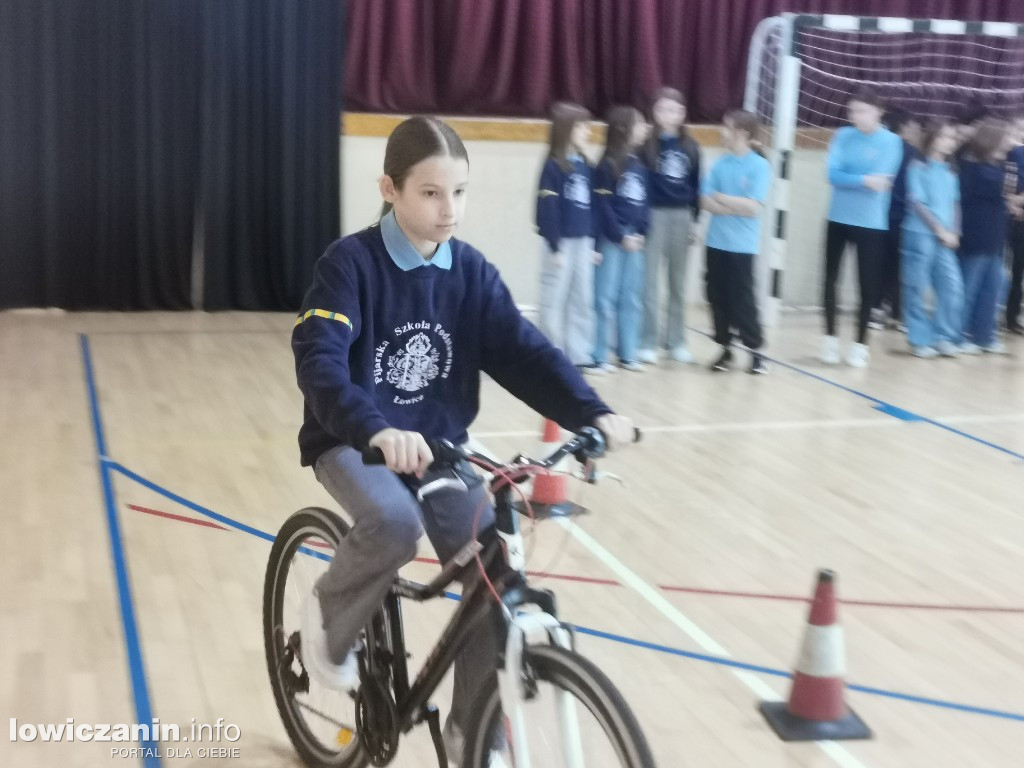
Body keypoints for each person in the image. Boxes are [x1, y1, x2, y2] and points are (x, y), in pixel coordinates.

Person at [291, 115, 636, 759]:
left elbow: (524, 352)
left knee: (491, 561)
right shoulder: (349, 265)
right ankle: (328, 622)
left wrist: (592, 413)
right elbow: (321, 363)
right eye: (431, 193)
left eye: (460, 192)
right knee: (394, 522)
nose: (450, 209)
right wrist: (376, 428)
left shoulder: (470, 273)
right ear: (389, 188)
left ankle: (471, 732)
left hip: (441, 449)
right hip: (352, 441)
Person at [820, 86, 904, 368]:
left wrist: (855, 178)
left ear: (878, 112)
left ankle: (860, 344)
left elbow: (882, 181)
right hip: (838, 218)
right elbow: (832, 174)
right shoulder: (842, 136)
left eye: (863, 111)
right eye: (853, 111)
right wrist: (864, 180)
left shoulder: (891, 142)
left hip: (870, 223)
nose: (856, 116)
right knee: (830, 279)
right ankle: (829, 340)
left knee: (867, 286)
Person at [700, 109, 772, 374]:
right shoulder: (720, 163)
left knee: (742, 299)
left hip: (742, 246)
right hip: (716, 242)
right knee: (717, 296)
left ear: (741, 133)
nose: (722, 131)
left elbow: (753, 207)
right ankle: (725, 349)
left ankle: (756, 351)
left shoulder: (759, 165)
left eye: (726, 127)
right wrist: (733, 204)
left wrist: (722, 199)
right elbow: (705, 201)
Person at [535, 101, 601, 372]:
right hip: (560, 242)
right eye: (581, 126)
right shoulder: (553, 166)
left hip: (583, 241)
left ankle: (579, 353)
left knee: (582, 297)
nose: (587, 131)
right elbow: (546, 209)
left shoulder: (586, 164)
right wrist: (554, 246)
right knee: (554, 298)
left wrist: (594, 243)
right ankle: (552, 355)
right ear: (567, 129)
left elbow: (594, 207)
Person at [639, 87, 701, 365]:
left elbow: (697, 185)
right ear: (655, 112)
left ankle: (676, 341)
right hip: (654, 214)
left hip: (681, 215)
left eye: (674, 109)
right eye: (663, 109)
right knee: (649, 283)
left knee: (677, 283)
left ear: (683, 113)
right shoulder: (645, 146)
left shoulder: (691, 147)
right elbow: (637, 185)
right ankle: (647, 341)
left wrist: (696, 221)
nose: (669, 114)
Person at [592, 106, 651, 372]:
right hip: (613, 239)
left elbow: (644, 203)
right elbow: (602, 205)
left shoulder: (639, 164)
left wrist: (642, 232)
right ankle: (599, 354)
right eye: (639, 124)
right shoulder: (607, 165)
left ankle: (628, 353)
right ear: (624, 128)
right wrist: (619, 235)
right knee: (605, 297)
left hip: (635, 240)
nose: (645, 128)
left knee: (631, 297)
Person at [901, 120, 964, 358]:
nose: (950, 142)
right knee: (916, 286)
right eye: (945, 136)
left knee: (952, 286)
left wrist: (955, 231)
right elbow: (917, 203)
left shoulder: (950, 170)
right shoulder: (918, 166)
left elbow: (955, 203)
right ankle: (919, 338)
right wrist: (939, 230)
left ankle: (944, 336)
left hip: (946, 238)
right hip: (920, 235)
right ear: (934, 138)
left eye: (952, 138)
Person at [958, 117, 1012, 354]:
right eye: (1007, 135)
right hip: (976, 233)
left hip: (995, 235)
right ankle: (960, 334)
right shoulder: (971, 165)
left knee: (994, 286)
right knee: (969, 288)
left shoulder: (1000, 165)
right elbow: (965, 199)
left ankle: (984, 335)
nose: (1011, 140)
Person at [872, 107, 923, 331]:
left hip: (879, 216)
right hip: (902, 217)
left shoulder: (879, 148)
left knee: (880, 264)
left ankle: (876, 310)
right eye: (913, 127)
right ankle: (899, 313)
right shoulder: (911, 152)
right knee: (901, 266)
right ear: (903, 128)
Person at [1003, 113, 1024, 335]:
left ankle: (1011, 317)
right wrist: (1010, 202)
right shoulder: (1011, 153)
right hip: (1006, 219)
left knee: (1017, 272)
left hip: (1015, 218)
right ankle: (1010, 318)